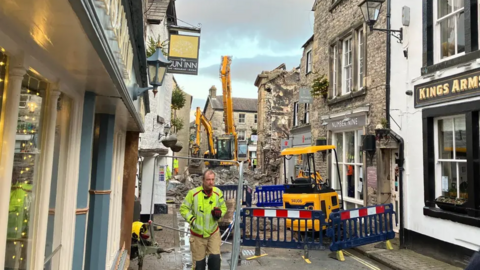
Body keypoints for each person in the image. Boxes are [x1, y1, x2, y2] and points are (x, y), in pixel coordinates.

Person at [180, 170, 227, 270]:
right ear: (203, 180)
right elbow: (183, 209)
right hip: (197, 236)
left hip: (213, 234)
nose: (211, 182)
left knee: (215, 262)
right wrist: (192, 219)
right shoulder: (193, 193)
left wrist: (219, 214)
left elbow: (223, 208)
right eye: (208, 180)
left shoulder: (218, 193)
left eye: (212, 180)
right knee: (199, 266)